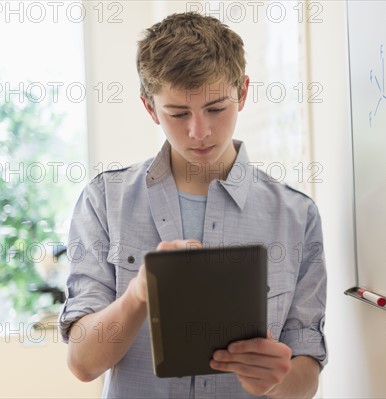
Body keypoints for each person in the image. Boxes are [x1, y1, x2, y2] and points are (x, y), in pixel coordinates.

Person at [58, 12, 327, 398]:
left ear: (243, 93)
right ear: (150, 108)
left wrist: (273, 380)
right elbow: (83, 364)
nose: (199, 132)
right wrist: (136, 295)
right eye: (178, 113)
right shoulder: (104, 201)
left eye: (216, 108)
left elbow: (306, 373)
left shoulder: (297, 217)